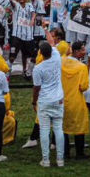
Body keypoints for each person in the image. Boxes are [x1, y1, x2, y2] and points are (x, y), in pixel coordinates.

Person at [32, 37, 65, 168]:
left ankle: (46, 160)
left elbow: (36, 88)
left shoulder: (38, 68)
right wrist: (46, 31)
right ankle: (60, 159)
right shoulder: (57, 57)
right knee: (58, 129)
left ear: (40, 53)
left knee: (44, 130)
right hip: (58, 99)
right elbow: (52, 44)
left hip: (44, 100)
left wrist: (34, 102)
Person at [61, 41, 90, 159]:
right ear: (77, 51)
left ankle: (65, 152)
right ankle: (79, 153)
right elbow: (83, 86)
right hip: (76, 100)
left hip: (63, 98)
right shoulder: (82, 67)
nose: (85, 52)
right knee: (79, 127)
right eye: (83, 49)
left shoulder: (61, 62)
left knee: (63, 127)